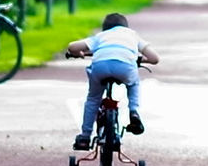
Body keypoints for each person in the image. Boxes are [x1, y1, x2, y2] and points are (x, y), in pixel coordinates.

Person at [67, 12, 160, 151]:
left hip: (101, 67)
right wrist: (138, 59)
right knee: (133, 83)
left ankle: (85, 137)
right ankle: (134, 112)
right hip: (125, 67)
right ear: (125, 27)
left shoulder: (101, 36)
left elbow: (72, 47)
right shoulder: (132, 35)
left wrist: (79, 54)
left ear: (105, 28)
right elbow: (155, 58)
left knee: (93, 99)